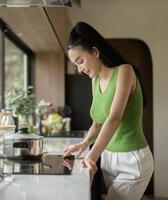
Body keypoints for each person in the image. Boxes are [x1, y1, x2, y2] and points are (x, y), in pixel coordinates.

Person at [63, 22, 154, 200]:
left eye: (80, 61)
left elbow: (113, 119)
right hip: (108, 158)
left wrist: (91, 156)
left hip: (132, 161)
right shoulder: (94, 80)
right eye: (76, 64)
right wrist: (84, 143)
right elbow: (98, 123)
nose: (80, 68)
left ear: (95, 52)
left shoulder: (124, 71)